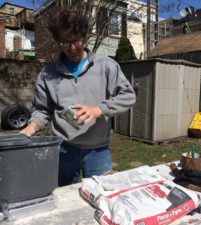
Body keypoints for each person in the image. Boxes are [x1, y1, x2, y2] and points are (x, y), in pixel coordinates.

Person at [20, 9, 136, 186]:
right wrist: (32, 126)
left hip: (98, 151)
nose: (72, 47)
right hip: (63, 149)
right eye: (65, 42)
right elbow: (43, 110)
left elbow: (128, 96)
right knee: (63, 199)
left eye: (76, 40)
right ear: (58, 40)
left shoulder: (106, 66)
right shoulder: (47, 74)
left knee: (101, 199)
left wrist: (99, 109)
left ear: (85, 36)